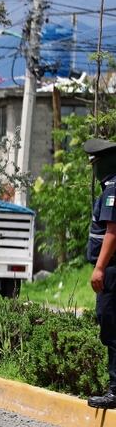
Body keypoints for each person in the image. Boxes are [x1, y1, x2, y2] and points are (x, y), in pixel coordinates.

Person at [86, 138, 116, 409]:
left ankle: (115, 391)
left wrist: (99, 268)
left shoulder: (112, 190)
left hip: (111, 272)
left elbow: (112, 232)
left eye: (94, 164)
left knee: (111, 327)